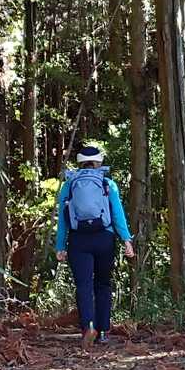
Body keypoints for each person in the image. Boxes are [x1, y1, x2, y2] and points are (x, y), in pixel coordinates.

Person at [54, 144, 135, 344]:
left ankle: (88, 327)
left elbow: (63, 219)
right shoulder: (108, 184)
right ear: (99, 162)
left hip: (78, 239)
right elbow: (117, 214)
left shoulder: (69, 185)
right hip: (104, 238)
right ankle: (103, 332)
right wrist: (126, 240)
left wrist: (60, 246)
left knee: (83, 285)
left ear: (79, 163)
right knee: (103, 284)